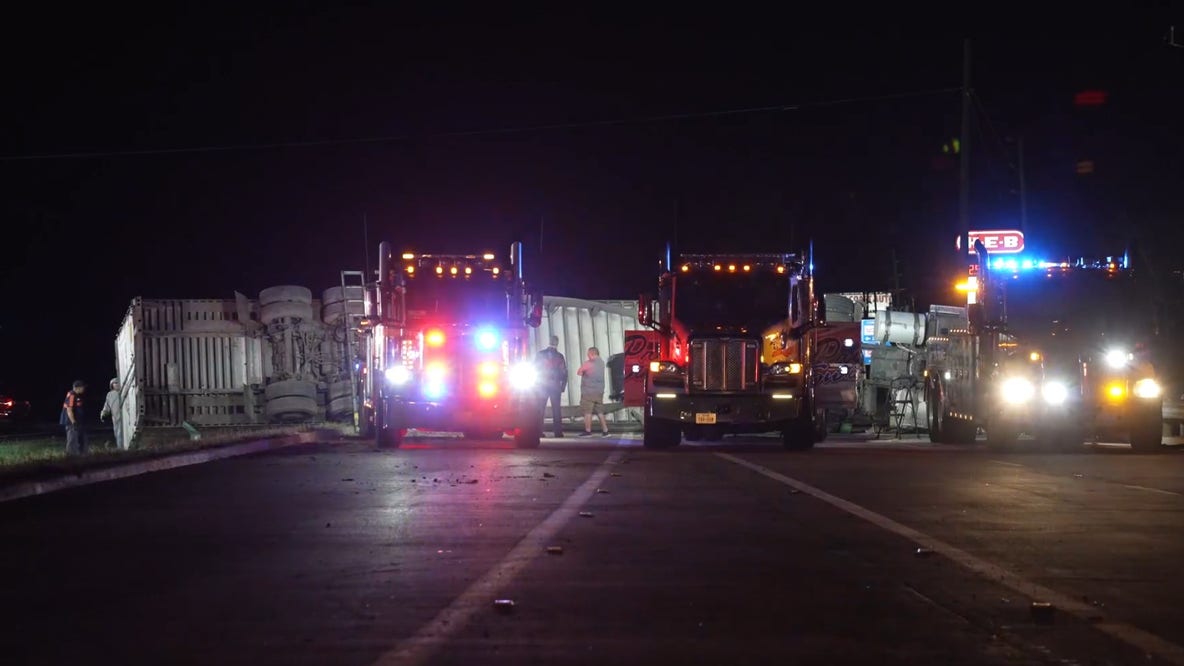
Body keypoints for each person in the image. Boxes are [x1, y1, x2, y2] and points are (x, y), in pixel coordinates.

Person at [535, 336, 567, 437]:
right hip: (555, 385)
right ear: (557, 343)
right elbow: (564, 372)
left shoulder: (540, 354)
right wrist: (563, 386)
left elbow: (535, 368)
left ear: (549, 342)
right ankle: (558, 432)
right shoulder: (560, 356)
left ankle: (538, 431)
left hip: (542, 385)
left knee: (540, 409)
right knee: (556, 409)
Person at [576, 347, 610, 437]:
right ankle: (605, 431)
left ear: (591, 353)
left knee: (587, 412)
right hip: (599, 392)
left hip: (588, 392)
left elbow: (579, 372)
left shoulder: (589, 363)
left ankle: (588, 431)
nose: (587, 356)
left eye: (588, 354)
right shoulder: (601, 363)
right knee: (600, 412)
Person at [60, 380, 88, 456]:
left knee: (81, 439)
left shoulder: (78, 395)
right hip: (71, 423)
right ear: (77, 388)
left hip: (78, 422)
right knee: (72, 439)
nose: (84, 389)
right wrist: (74, 422)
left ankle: (82, 455)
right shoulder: (72, 395)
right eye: (82, 387)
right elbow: (69, 410)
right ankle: (71, 456)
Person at [100, 377, 126, 450]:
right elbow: (107, 406)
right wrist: (103, 414)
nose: (117, 384)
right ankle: (121, 449)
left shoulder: (124, 391)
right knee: (118, 434)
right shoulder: (110, 395)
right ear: (112, 385)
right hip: (116, 418)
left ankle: (127, 449)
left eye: (118, 383)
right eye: (115, 383)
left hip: (126, 418)